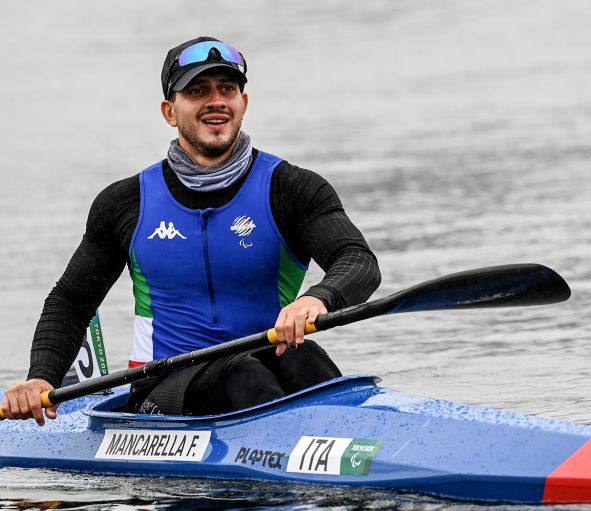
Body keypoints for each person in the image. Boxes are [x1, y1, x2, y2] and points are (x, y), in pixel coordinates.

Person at [0, 36, 381, 425]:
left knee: (305, 357)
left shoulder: (292, 189)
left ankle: (358, 438)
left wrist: (316, 299)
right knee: (242, 374)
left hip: (269, 361)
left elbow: (358, 260)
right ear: (169, 111)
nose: (215, 100)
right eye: (198, 90)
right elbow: (70, 302)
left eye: (227, 89)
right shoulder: (125, 204)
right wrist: (40, 379)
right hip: (162, 387)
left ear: (242, 104)